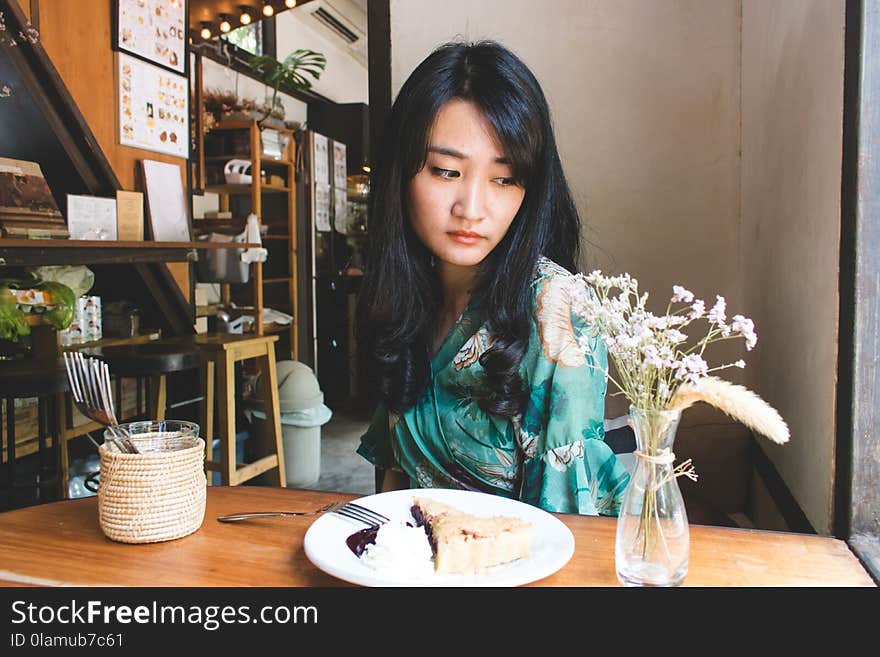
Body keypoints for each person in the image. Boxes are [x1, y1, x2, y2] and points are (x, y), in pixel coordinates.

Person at [356, 40, 630, 515]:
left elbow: (568, 530)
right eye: (445, 171)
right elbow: (393, 480)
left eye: (504, 179)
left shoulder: (557, 312)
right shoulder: (404, 295)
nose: (472, 209)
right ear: (401, 174)